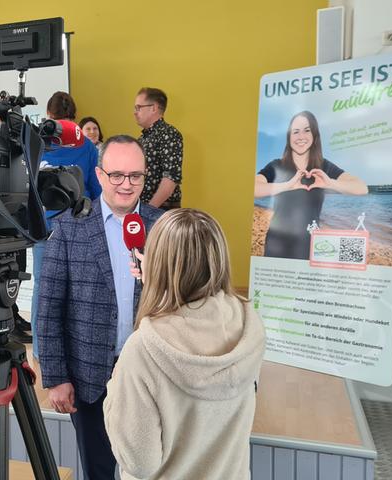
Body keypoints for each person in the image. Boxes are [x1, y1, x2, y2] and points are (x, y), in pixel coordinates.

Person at [104, 208, 265, 480]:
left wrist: (114, 394)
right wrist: (160, 279)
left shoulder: (143, 349)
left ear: (158, 264)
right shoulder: (248, 324)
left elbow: (140, 463)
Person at [36, 135, 163, 479]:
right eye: (116, 175)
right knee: (99, 470)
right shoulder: (68, 227)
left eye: (135, 176)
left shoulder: (165, 227)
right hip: (89, 376)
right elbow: (48, 309)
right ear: (99, 174)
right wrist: (57, 377)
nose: (126, 184)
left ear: (145, 175)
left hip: (151, 373)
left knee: (152, 467)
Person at [27, 92, 102, 358]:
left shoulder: (35, 144)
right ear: (74, 119)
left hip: (42, 228)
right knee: (77, 291)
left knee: (42, 289)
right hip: (77, 227)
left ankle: (39, 350)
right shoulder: (88, 147)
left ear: (49, 117)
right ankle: (74, 350)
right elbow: (95, 191)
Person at [254, 110, 368, 260]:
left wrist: (330, 182)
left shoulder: (323, 166)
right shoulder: (276, 165)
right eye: (295, 132)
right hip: (277, 243)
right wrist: (287, 185)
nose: (301, 136)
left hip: (311, 243)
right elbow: (254, 189)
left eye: (306, 130)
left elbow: (361, 188)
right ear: (289, 137)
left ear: (314, 135)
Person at [134, 87, 183, 210]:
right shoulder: (142, 139)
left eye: (139, 107)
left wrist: (149, 210)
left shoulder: (169, 134)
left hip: (161, 212)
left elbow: (170, 178)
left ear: (154, 108)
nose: (135, 112)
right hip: (143, 208)